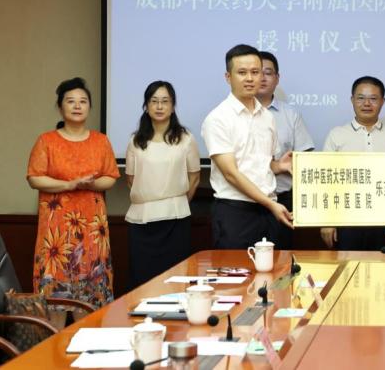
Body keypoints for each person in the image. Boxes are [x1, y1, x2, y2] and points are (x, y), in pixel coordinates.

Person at [26, 77, 120, 307]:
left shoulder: (101, 141)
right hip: (56, 234)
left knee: (90, 307)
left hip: (92, 230)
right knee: (54, 306)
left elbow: (110, 177)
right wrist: (70, 184)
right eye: (71, 101)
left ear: (89, 107)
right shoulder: (47, 141)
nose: (77, 106)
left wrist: (89, 185)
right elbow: (34, 178)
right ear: (60, 107)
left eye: (83, 101)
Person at [201, 44, 293, 249]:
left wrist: (279, 166)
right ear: (228, 77)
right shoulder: (218, 118)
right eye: (242, 72)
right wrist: (271, 204)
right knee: (236, 270)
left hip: (268, 211)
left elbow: (261, 164)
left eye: (255, 72)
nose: (250, 78)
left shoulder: (267, 117)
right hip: (235, 213)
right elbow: (231, 174)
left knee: (273, 269)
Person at [125, 81, 200, 289]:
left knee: (175, 280)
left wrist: (177, 201)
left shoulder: (186, 139)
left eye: (165, 101)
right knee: (143, 280)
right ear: (146, 106)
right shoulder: (135, 140)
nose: (159, 106)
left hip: (175, 220)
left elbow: (194, 177)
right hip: (141, 221)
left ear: (173, 106)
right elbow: (130, 179)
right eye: (154, 101)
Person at [321, 76, 385, 250]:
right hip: (346, 219)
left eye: (373, 98)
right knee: (347, 265)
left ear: (383, 101)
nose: (367, 104)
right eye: (361, 98)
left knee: (384, 266)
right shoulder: (336, 135)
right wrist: (327, 222)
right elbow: (325, 181)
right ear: (352, 100)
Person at [256, 51, 315, 250]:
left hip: (282, 199)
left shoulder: (290, 114)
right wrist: (275, 166)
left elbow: (305, 157)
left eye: (268, 73)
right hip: (246, 202)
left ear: (277, 78)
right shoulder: (235, 115)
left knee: (281, 258)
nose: (262, 78)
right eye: (256, 72)